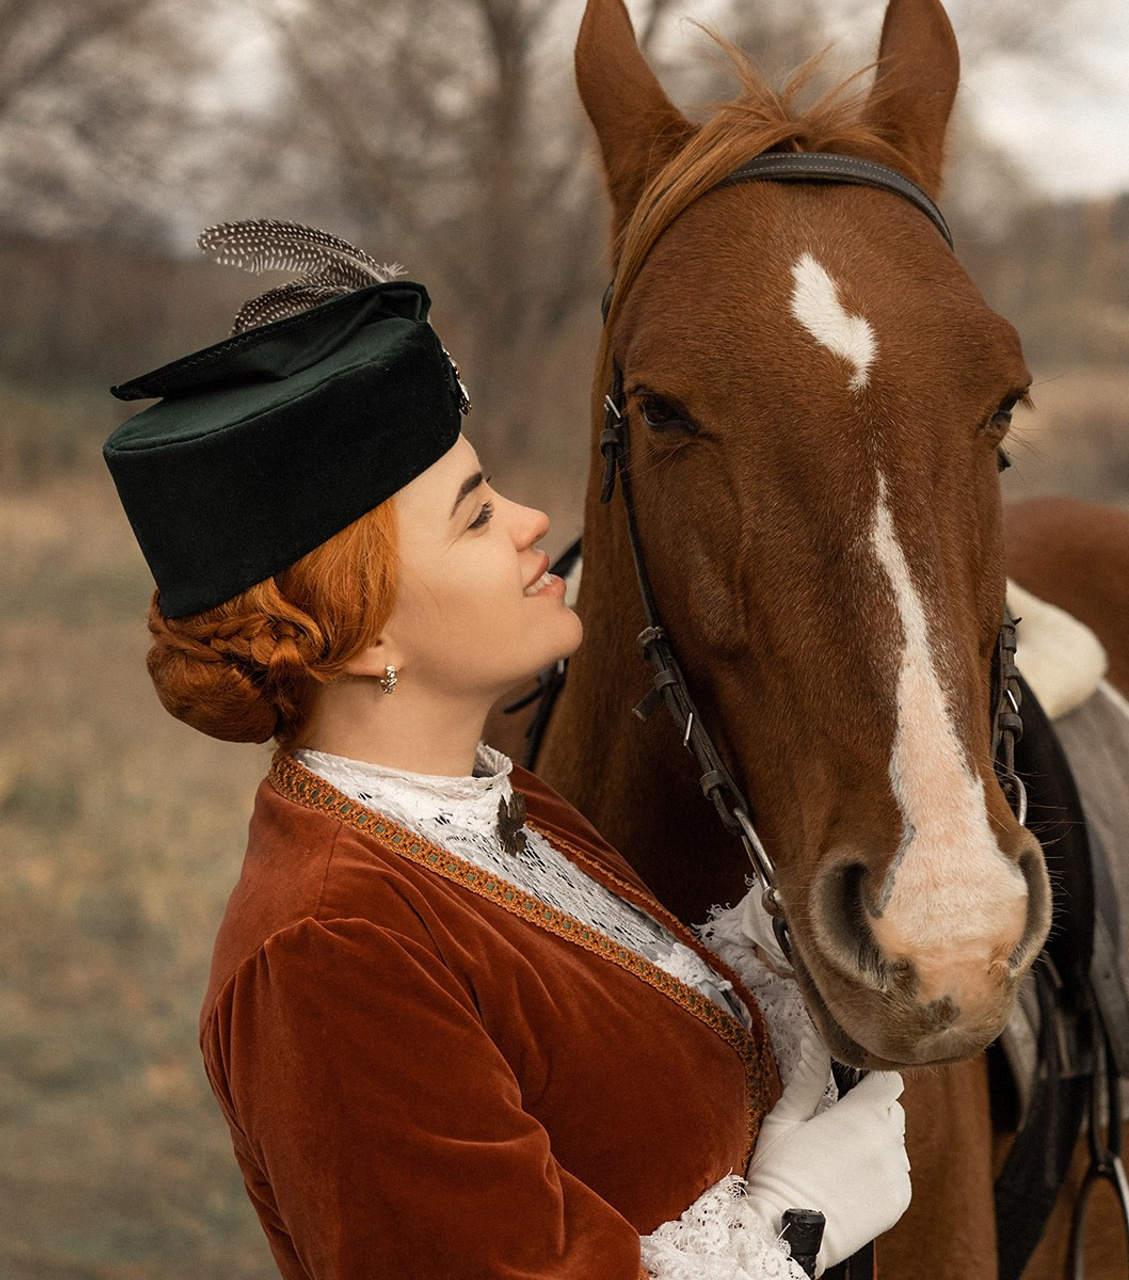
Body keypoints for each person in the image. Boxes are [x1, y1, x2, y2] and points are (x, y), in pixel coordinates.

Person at [103, 221, 911, 1279]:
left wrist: (770, 939)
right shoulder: (325, 948)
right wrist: (785, 1232)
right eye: (475, 515)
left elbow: (602, 1060)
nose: (534, 522)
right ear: (365, 631)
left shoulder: (493, 805)